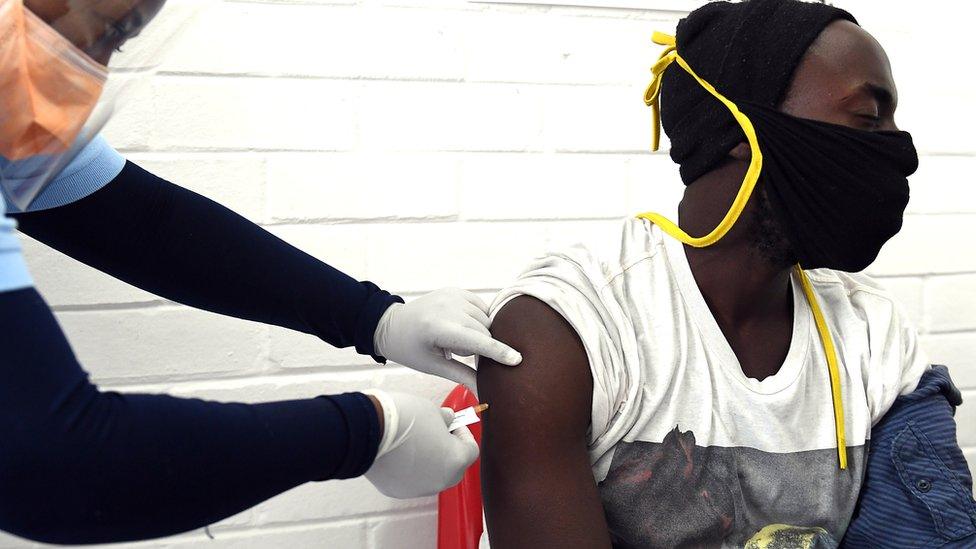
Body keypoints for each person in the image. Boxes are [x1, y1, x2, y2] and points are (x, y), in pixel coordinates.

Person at [0, 0, 521, 544]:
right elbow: (55, 466)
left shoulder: (15, 110)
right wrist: (366, 431)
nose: (93, 69)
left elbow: (139, 224)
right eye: (95, 33)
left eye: (119, 42)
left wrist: (374, 318)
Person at [477, 1, 973, 547]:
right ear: (742, 127)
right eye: (866, 117)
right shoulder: (568, 331)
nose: (895, 148)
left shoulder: (874, 335)